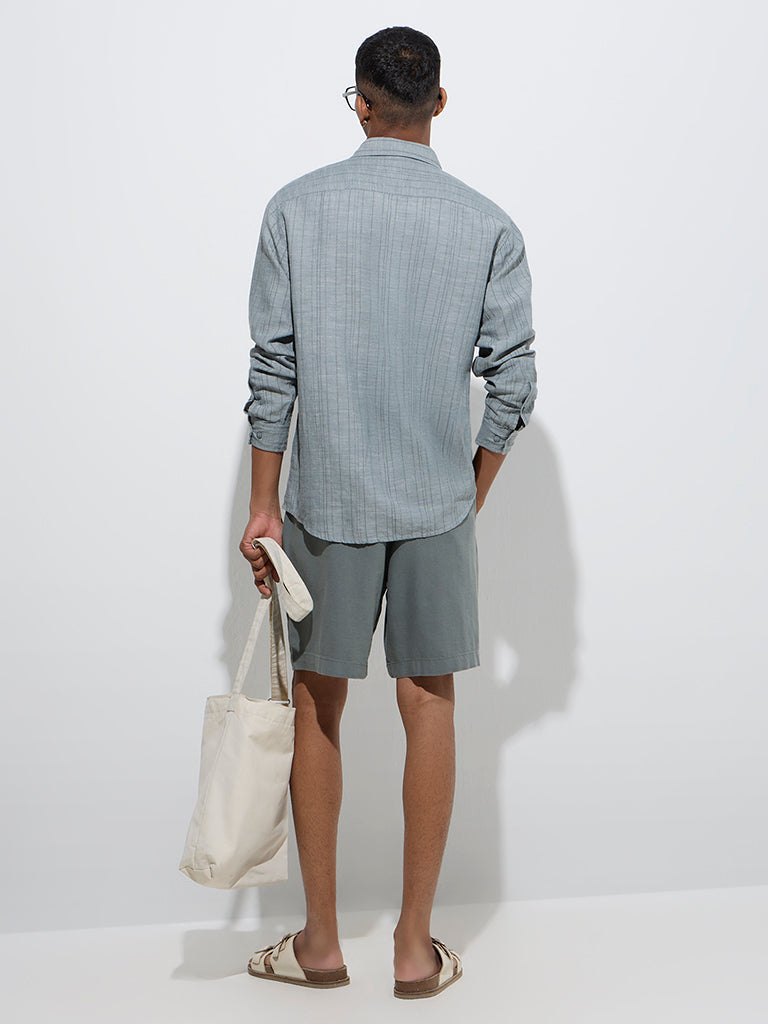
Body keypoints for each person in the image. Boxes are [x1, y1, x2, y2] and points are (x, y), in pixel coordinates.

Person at [239, 25, 537, 998]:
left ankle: (321, 944)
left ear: (360, 102)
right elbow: (514, 383)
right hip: (434, 503)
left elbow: (273, 368)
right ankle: (414, 949)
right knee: (429, 699)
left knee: (319, 701)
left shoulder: (297, 208)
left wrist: (263, 506)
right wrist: (468, 493)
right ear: (438, 102)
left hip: (327, 499)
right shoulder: (487, 224)